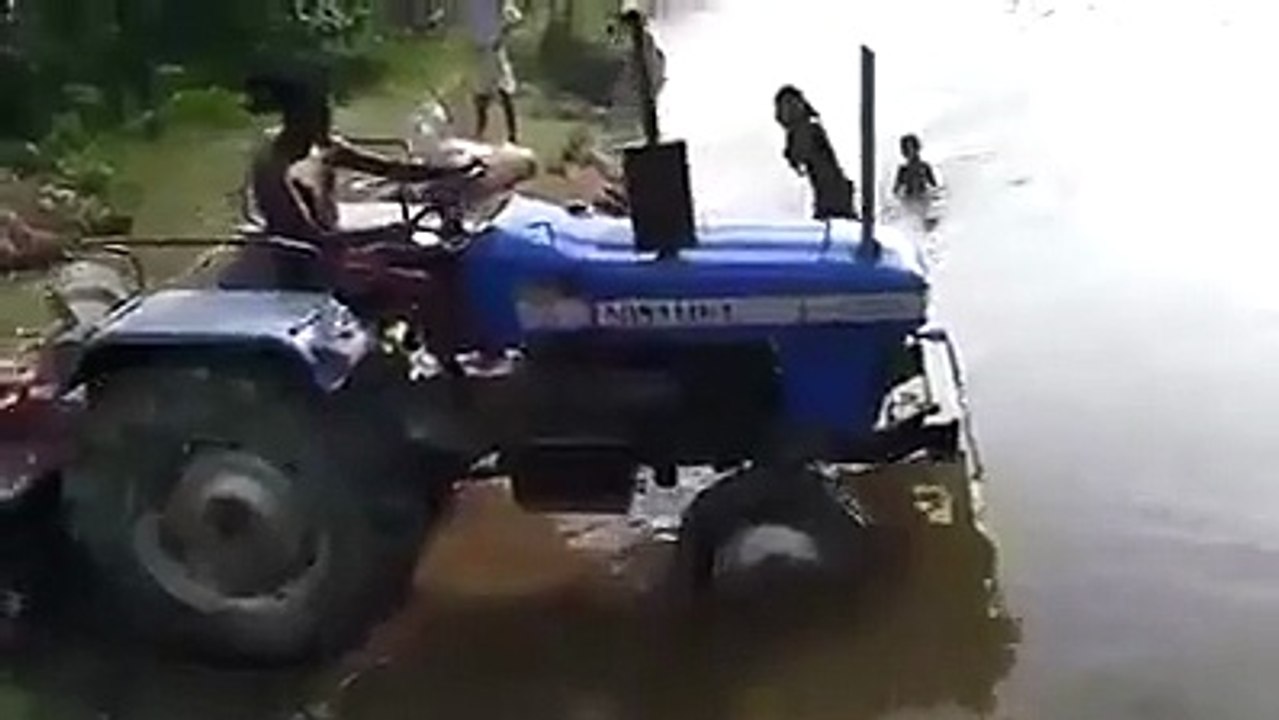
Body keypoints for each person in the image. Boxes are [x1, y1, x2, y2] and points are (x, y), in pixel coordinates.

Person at [228, 69, 483, 368]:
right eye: (317, 114)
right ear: (295, 116)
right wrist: (385, 236)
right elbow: (307, 237)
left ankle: (428, 339)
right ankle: (449, 369)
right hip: (314, 266)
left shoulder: (322, 147)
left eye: (326, 112)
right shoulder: (277, 169)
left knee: (445, 257)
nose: (326, 120)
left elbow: (389, 168)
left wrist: (450, 172)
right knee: (426, 285)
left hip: (335, 245)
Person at [773, 85, 857, 221]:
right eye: (784, 106)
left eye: (791, 104)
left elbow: (800, 156)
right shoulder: (803, 127)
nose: (787, 110)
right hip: (829, 191)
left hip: (832, 193)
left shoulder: (805, 127)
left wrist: (790, 157)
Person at [466, 0, 522, 143]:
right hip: (479, 52)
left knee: (504, 91)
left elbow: (514, 18)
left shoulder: (500, 4)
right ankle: (480, 132)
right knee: (481, 95)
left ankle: (513, 135)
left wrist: (502, 35)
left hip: (494, 52)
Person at [892, 133, 938, 200]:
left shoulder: (924, 167)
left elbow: (934, 187)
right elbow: (896, 191)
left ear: (917, 148)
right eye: (907, 149)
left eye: (912, 148)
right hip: (908, 203)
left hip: (924, 202)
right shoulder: (903, 170)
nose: (911, 152)